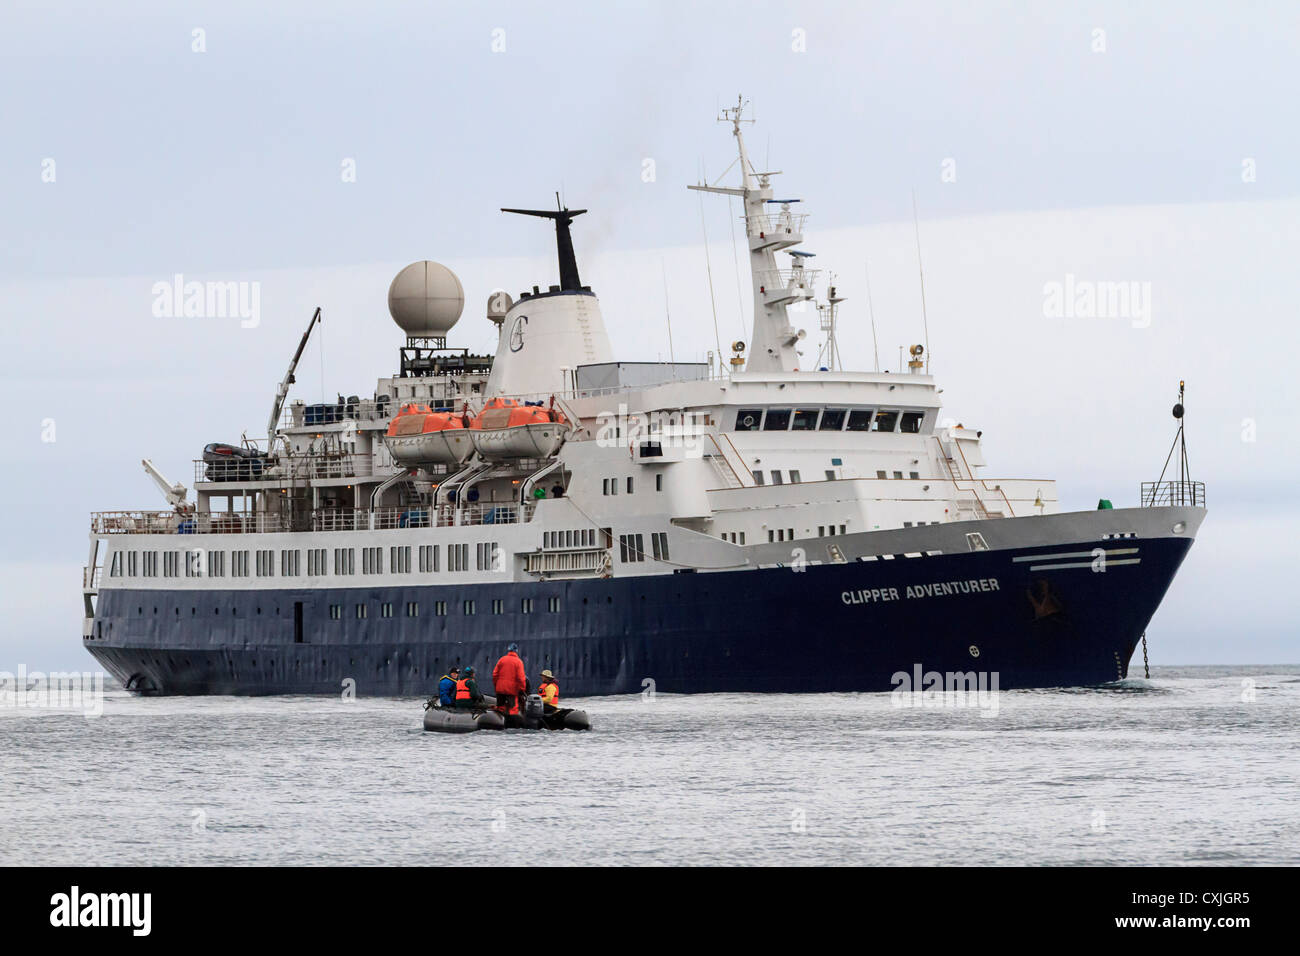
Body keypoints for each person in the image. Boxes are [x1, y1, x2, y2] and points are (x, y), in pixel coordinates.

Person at [492, 643, 527, 715]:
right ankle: (512, 723)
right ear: (516, 651)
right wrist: (522, 689)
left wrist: (497, 686)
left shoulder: (502, 660)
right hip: (512, 690)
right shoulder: (518, 662)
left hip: (500, 689)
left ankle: (499, 722)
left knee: (500, 707)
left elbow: (495, 674)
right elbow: (521, 678)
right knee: (513, 708)